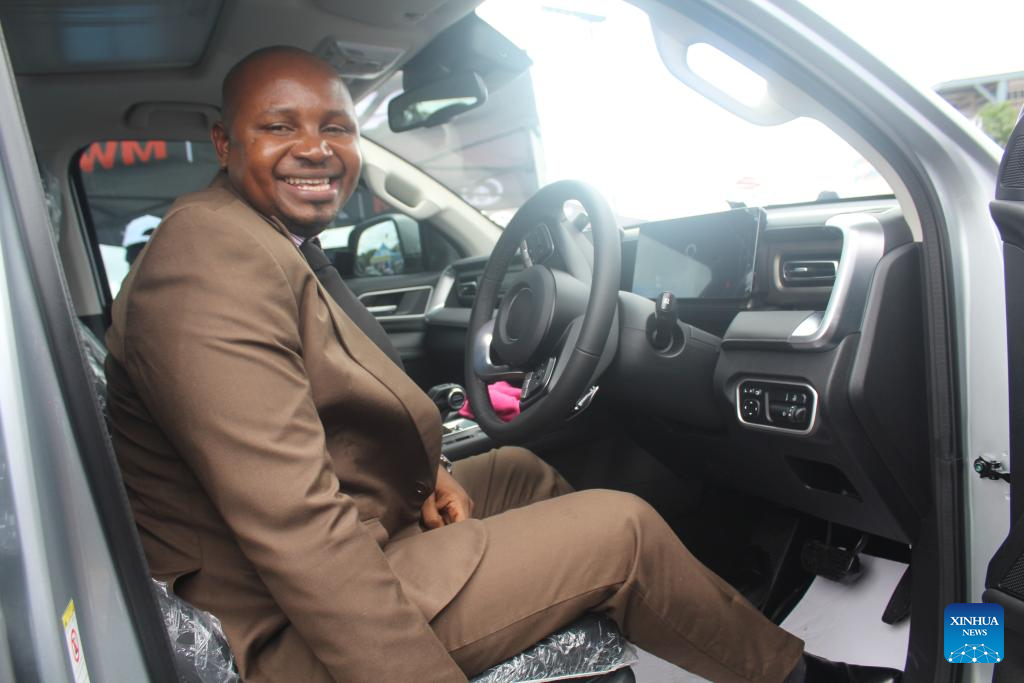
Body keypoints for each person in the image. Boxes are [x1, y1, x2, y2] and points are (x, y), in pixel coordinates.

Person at [105, 46, 899, 683]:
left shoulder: (255, 234)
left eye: (336, 127)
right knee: (621, 531)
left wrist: (428, 473)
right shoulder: (207, 264)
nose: (315, 148)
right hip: (284, 633)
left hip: (347, 541)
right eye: (280, 127)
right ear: (225, 142)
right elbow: (298, 533)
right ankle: (799, 675)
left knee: (518, 469)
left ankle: (643, 623)